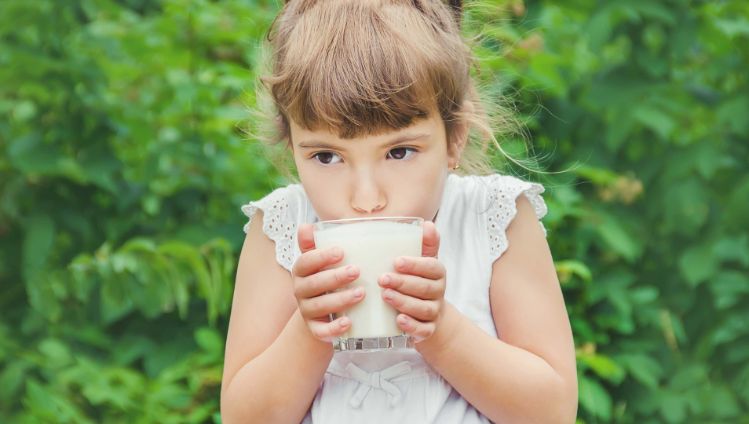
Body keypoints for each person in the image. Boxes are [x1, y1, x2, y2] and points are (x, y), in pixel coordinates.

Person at [220, 0, 577, 422]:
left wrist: (441, 330)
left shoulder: (492, 217)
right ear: (290, 145)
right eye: (327, 157)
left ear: (455, 137)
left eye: (400, 151)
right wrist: (310, 331)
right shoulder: (281, 228)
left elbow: (552, 412)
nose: (366, 198)